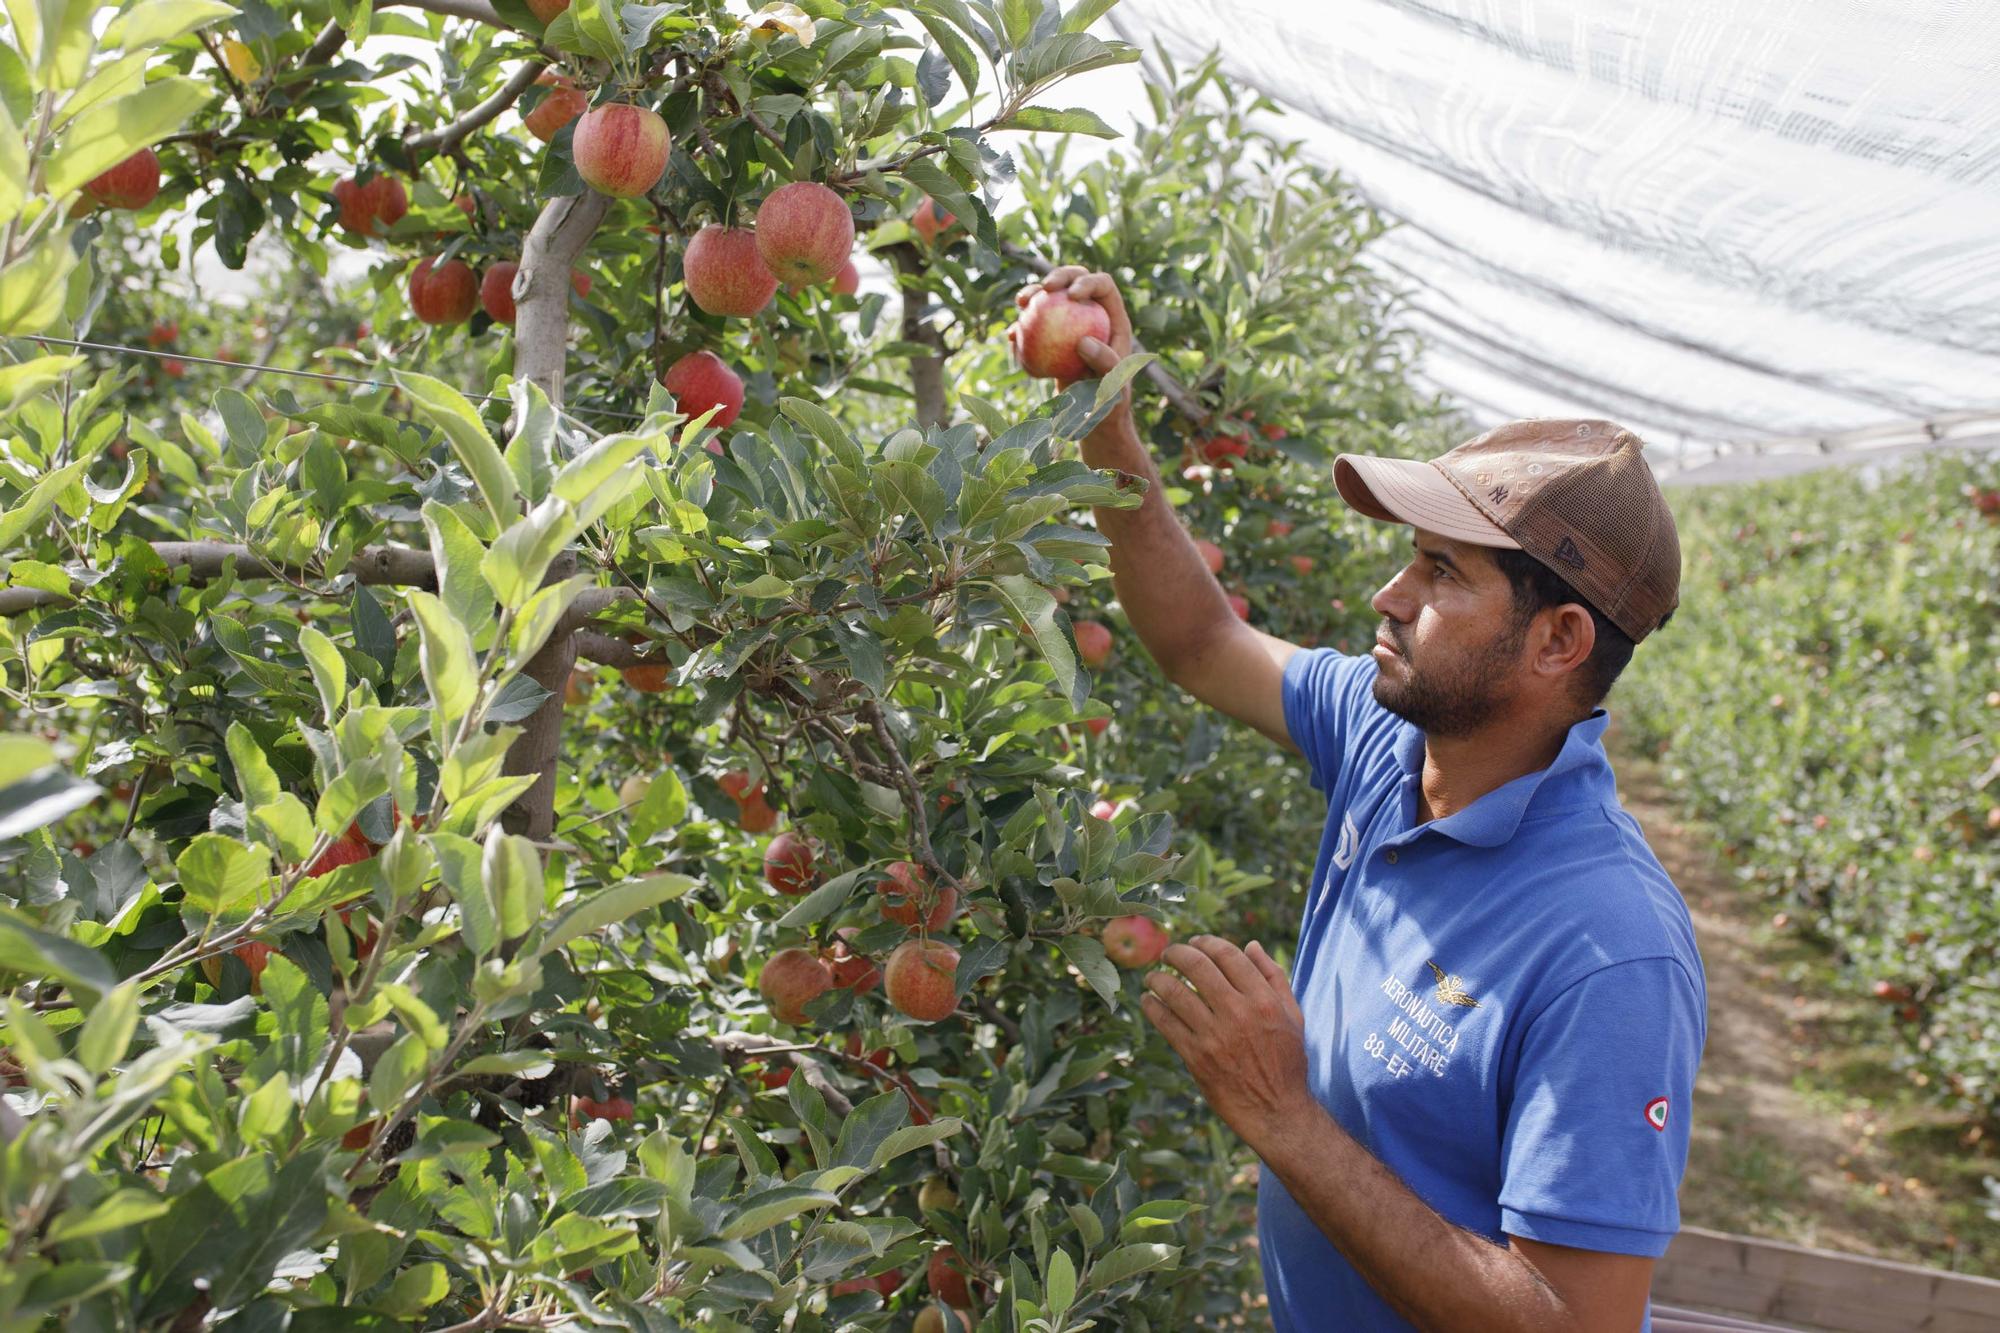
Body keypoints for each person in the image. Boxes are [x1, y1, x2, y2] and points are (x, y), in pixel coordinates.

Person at [1025, 266, 1707, 1332]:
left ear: (1557, 640)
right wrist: (1103, 424)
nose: (1388, 595)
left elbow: (1571, 1322)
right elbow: (1204, 640)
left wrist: (1281, 1115)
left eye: (1442, 570)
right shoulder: (1386, 734)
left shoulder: (1606, 952)